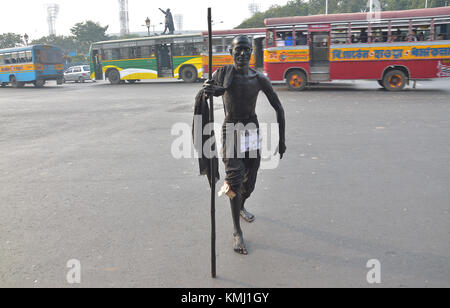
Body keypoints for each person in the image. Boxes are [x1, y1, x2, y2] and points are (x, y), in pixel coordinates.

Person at [201, 35, 286, 255]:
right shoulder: (223, 74)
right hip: (231, 130)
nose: (242, 54)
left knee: (251, 178)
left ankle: (240, 204)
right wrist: (207, 89)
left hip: (251, 130)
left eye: (246, 50)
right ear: (231, 52)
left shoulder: (259, 79)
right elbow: (209, 88)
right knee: (235, 179)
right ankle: (237, 231)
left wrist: (282, 140)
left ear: (251, 53)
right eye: (238, 50)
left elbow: (279, 108)